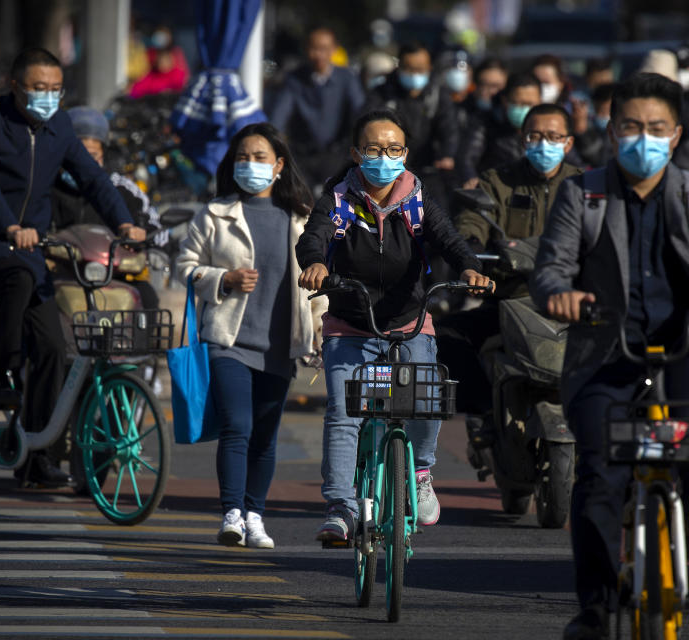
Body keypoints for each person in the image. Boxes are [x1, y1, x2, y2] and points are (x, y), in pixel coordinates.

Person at [529, 73, 689, 639]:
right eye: (633, 127)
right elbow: (550, 270)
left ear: (676, 132)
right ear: (613, 133)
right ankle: (594, 606)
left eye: (656, 128)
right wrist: (560, 295)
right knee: (597, 479)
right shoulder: (582, 193)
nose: (645, 138)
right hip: (604, 352)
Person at [0, 48, 146, 487]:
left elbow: (92, 178)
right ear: (14, 86)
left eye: (55, 89)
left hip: (26, 248)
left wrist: (124, 223)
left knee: (52, 347)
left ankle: (35, 459)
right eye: (38, 88)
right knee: (15, 276)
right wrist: (9, 226)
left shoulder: (61, 126)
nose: (48, 97)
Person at [295, 109, 491, 542]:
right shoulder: (340, 199)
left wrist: (471, 268)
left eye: (394, 149)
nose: (384, 156)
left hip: (410, 322)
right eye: (373, 148)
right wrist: (312, 262)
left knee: (427, 398)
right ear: (355, 153)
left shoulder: (419, 201)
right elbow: (315, 235)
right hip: (350, 326)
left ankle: (419, 471)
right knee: (344, 414)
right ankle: (341, 507)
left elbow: (451, 241)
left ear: (405, 153)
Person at [176, 122, 322, 548]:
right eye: (242, 157)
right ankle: (232, 514)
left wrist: (320, 329)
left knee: (264, 435)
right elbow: (185, 267)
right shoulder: (215, 214)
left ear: (279, 166)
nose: (250, 165)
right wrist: (223, 278)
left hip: (280, 347)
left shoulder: (300, 220)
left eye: (259, 157)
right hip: (228, 340)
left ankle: (256, 514)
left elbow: (316, 285)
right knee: (237, 426)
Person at [437, 103, 582, 438]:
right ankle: (485, 413)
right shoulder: (496, 182)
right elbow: (470, 225)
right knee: (443, 335)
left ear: (569, 143)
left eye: (553, 136)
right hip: (509, 302)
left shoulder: (585, 186)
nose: (544, 144)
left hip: (571, 306)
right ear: (522, 139)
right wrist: (471, 258)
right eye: (535, 135)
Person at [51, 105, 167, 308]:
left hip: (115, 276)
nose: (83, 164)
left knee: (148, 301)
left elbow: (157, 229)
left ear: (103, 154)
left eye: (92, 156)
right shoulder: (46, 186)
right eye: (78, 156)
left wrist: (141, 234)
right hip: (59, 275)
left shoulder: (121, 188)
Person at [269, 27, 365, 195]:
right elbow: (279, 116)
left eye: (324, 49)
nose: (319, 54)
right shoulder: (294, 79)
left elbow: (360, 112)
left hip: (337, 155)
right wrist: (273, 142)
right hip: (302, 155)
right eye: (314, 48)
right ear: (306, 50)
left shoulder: (347, 78)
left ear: (334, 50)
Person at [364, 42, 459, 205]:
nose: (415, 74)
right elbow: (366, 124)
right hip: (389, 169)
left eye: (420, 69)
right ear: (399, 67)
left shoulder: (437, 94)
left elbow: (449, 128)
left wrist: (446, 154)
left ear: (429, 67)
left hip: (429, 170)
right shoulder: (382, 94)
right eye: (409, 68)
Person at [457, 73, 542, 189]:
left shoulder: (549, 130)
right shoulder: (486, 124)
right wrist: (471, 180)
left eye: (529, 104)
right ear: (505, 101)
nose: (524, 109)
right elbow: (467, 159)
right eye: (518, 103)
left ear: (540, 102)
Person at [573, 83, 616, 168]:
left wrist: (582, 132)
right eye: (597, 110)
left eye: (605, 111)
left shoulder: (621, 133)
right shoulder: (589, 124)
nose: (601, 115)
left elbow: (599, 159)